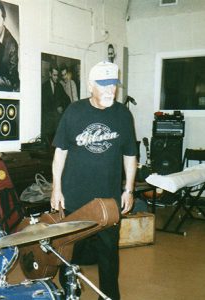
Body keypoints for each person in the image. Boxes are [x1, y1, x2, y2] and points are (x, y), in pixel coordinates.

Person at [51, 61, 137, 300]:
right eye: (103, 85)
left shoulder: (122, 115)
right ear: (90, 86)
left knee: (109, 255)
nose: (110, 90)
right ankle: (69, 294)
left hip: (108, 201)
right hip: (75, 197)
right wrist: (56, 188)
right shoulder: (74, 111)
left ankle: (109, 297)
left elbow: (130, 155)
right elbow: (60, 152)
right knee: (67, 252)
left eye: (113, 85)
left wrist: (128, 189)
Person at [41, 64, 70, 145]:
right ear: (50, 74)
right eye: (54, 75)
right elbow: (44, 105)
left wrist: (62, 106)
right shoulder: (44, 87)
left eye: (57, 75)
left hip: (57, 125)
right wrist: (56, 107)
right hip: (48, 125)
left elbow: (67, 100)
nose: (56, 77)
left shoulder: (60, 86)